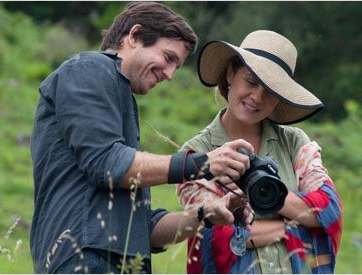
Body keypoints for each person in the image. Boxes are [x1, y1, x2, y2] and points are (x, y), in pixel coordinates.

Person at [30, 2, 255, 274]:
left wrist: (205, 214)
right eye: (168, 57)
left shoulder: (118, 97)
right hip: (82, 259)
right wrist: (203, 163)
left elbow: (143, 229)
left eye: (177, 66)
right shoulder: (89, 69)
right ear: (134, 36)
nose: (170, 75)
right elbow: (108, 163)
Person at [177, 30, 343, 273]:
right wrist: (290, 225)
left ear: (280, 99)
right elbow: (216, 236)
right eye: (251, 81)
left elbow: (328, 208)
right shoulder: (197, 153)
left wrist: (266, 194)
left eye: (271, 91)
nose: (256, 97)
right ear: (231, 73)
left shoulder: (294, 142)